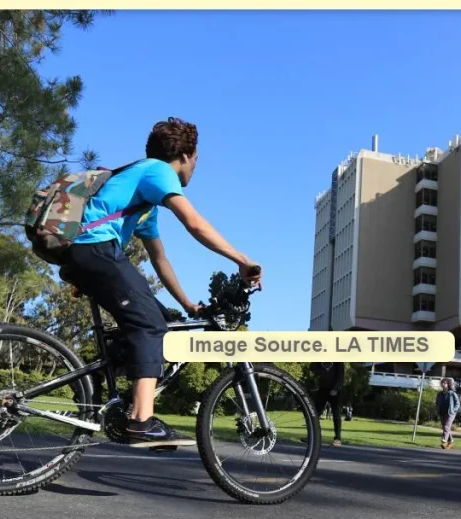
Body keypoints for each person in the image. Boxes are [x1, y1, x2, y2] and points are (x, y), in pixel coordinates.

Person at [59, 117, 261, 448]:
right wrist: (242, 260)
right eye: (196, 160)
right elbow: (194, 223)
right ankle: (141, 421)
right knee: (150, 326)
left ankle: (94, 387)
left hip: (87, 254)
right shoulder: (157, 171)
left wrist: (186, 305)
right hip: (95, 248)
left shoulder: (144, 198)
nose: (196, 167)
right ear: (185, 155)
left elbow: (160, 259)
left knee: (164, 322)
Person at [309, 362, 345, 446]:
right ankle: (313, 436)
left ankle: (337, 438)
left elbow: (341, 376)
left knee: (336, 414)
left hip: (335, 390)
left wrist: (336, 389)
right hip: (323, 388)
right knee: (315, 413)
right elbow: (312, 367)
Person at [435, 378, 460, 449]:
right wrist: (437, 411)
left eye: (444, 383)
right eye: (442, 383)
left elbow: (457, 403)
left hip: (450, 413)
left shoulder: (452, 393)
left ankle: (444, 440)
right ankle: (451, 441)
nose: (443, 384)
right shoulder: (439, 394)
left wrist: (454, 410)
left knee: (446, 426)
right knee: (445, 427)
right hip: (442, 412)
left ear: (448, 385)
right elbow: (437, 403)